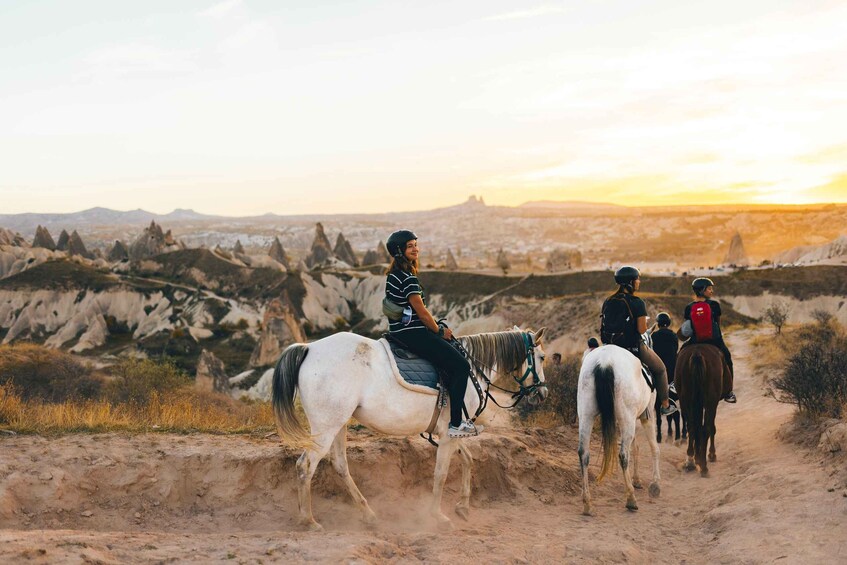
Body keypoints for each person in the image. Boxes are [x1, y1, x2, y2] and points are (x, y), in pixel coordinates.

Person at [384, 229, 483, 438]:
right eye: (410, 246)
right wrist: (439, 330)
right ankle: (456, 423)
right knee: (461, 366)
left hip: (398, 331)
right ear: (399, 251)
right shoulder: (409, 278)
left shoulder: (392, 275)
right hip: (414, 333)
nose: (415, 249)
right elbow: (420, 310)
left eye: (415, 245)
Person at [601, 266, 677, 416]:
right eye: (637, 279)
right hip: (632, 346)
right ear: (630, 282)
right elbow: (642, 330)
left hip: (610, 345)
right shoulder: (637, 302)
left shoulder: (608, 301)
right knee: (661, 369)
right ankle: (665, 404)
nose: (639, 282)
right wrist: (645, 324)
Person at [681, 278, 737, 403]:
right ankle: (729, 391)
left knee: (681, 354)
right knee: (727, 358)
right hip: (714, 340)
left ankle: (674, 384)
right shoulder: (715, 305)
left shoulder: (689, 307)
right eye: (709, 288)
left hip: (695, 340)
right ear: (702, 290)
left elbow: (688, 327)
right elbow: (717, 324)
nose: (712, 291)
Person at [651, 312, 679, 386]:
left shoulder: (654, 336)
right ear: (669, 322)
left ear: (658, 323)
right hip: (672, 369)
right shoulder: (674, 335)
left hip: (658, 367)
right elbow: (676, 349)